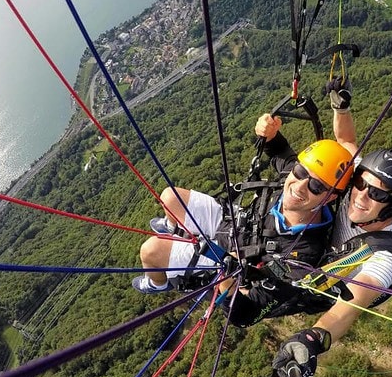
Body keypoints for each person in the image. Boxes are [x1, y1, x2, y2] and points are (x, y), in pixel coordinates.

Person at [269, 77, 392, 377]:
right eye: (359, 184)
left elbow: (351, 304)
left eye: (378, 195)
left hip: (334, 280)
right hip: (329, 245)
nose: (361, 196)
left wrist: (313, 339)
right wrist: (341, 109)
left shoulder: (388, 257)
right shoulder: (358, 191)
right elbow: (346, 146)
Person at [132, 116, 354, 327]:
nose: (300, 186)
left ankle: (157, 283)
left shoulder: (304, 253)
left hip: (231, 262)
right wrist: (269, 131)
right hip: (236, 224)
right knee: (170, 197)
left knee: (151, 251)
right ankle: (176, 229)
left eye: (316, 187)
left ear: (330, 197)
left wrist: (228, 280)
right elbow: (278, 149)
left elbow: (245, 315)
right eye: (300, 171)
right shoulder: (292, 176)